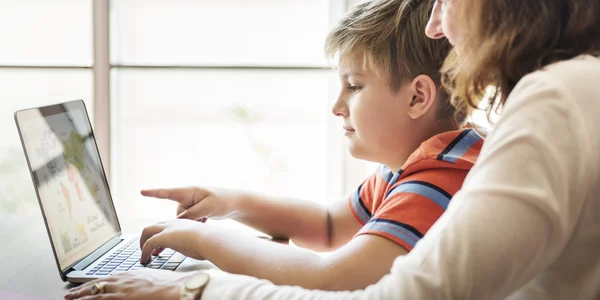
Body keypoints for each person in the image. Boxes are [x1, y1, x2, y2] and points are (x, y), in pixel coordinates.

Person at [65, 0, 600, 299]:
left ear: (417, 96)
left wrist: (208, 249)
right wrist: (228, 201)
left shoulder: (440, 176)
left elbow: (338, 277)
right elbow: (325, 224)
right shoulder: (415, 166)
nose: (337, 106)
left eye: (355, 86)